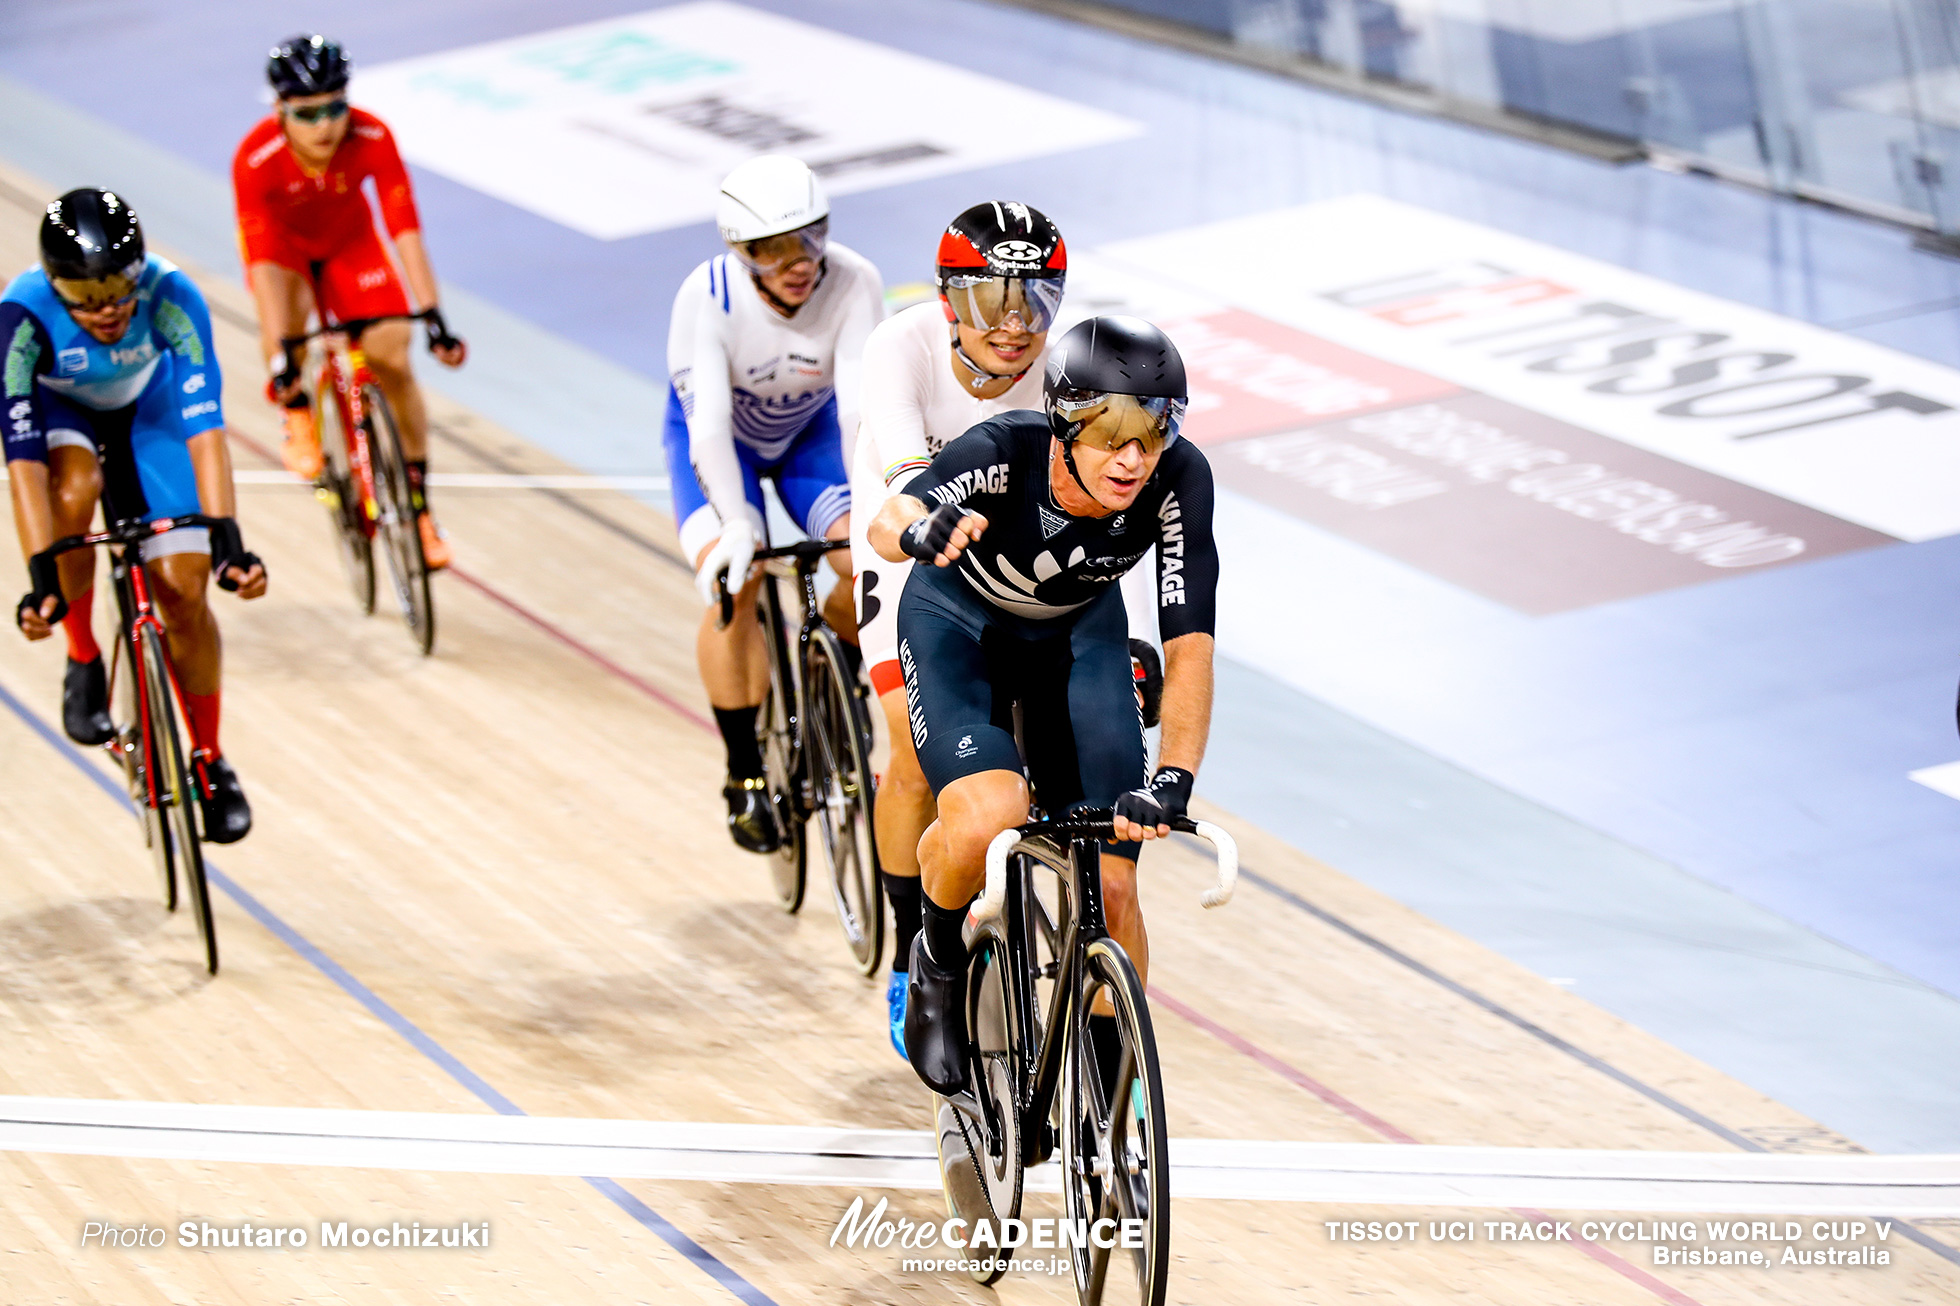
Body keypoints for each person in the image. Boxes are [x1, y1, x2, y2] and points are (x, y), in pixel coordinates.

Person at [868, 316, 1218, 1096]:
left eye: (1155, 431)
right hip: (962, 631)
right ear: (1065, 422)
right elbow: (889, 518)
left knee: (1117, 882)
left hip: (1077, 646)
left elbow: (1190, 637)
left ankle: (1110, 1098)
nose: (1135, 458)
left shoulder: (1179, 479)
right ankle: (936, 961)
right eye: (1113, 434)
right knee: (992, 811)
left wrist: (1176, 775)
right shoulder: (1000, 452)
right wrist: (921, 530)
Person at [849, 201, 1066, 1055]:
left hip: (1011, 554)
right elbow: (912, 480)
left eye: (1034, 302)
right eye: (989, 303)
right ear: (948, 302)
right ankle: (913, 948)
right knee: (911, 747)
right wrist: (928, 525)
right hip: (911, 538)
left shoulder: (1069, 359)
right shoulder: (897, 348)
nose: (1014, 328)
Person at [4, 188, 267, 842]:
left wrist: (229, 542)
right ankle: (84, 654)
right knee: (75, 488)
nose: (107, 308)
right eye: (84, 295)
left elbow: (205, 433)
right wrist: (41, 581)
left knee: (183, 590)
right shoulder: (20, 318)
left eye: (120, 287)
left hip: (149, 413)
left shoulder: (175, 298)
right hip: (63, 415)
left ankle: (209, 757)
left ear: (140, 266)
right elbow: (23, 468)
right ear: (52, 282)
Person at [666, 155, 883, 852]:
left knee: (866, 559)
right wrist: (735, 528)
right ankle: (743, 771)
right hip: (719, 444)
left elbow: (859, 412)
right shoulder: (707, 296)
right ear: (740, 251)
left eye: (810, 238)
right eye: (773, 249)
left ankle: (836, 664)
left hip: (808, 441)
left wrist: (875, 511)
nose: (798, 261)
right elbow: (706, 429)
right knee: (742, 578)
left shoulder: (854, 281)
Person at [232, 33, 467, 570]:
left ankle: (419, 511)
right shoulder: (255, 160)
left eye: (335, 108)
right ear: (279, 110)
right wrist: (280, 361)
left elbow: (403, 227)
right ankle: (297, 413)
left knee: (392, 353)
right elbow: (263, 265)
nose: (324, 126)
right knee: (287, 332)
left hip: (350, 245)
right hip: (283, 254)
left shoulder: (372, 134)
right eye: (307, 114)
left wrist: (433, 315)